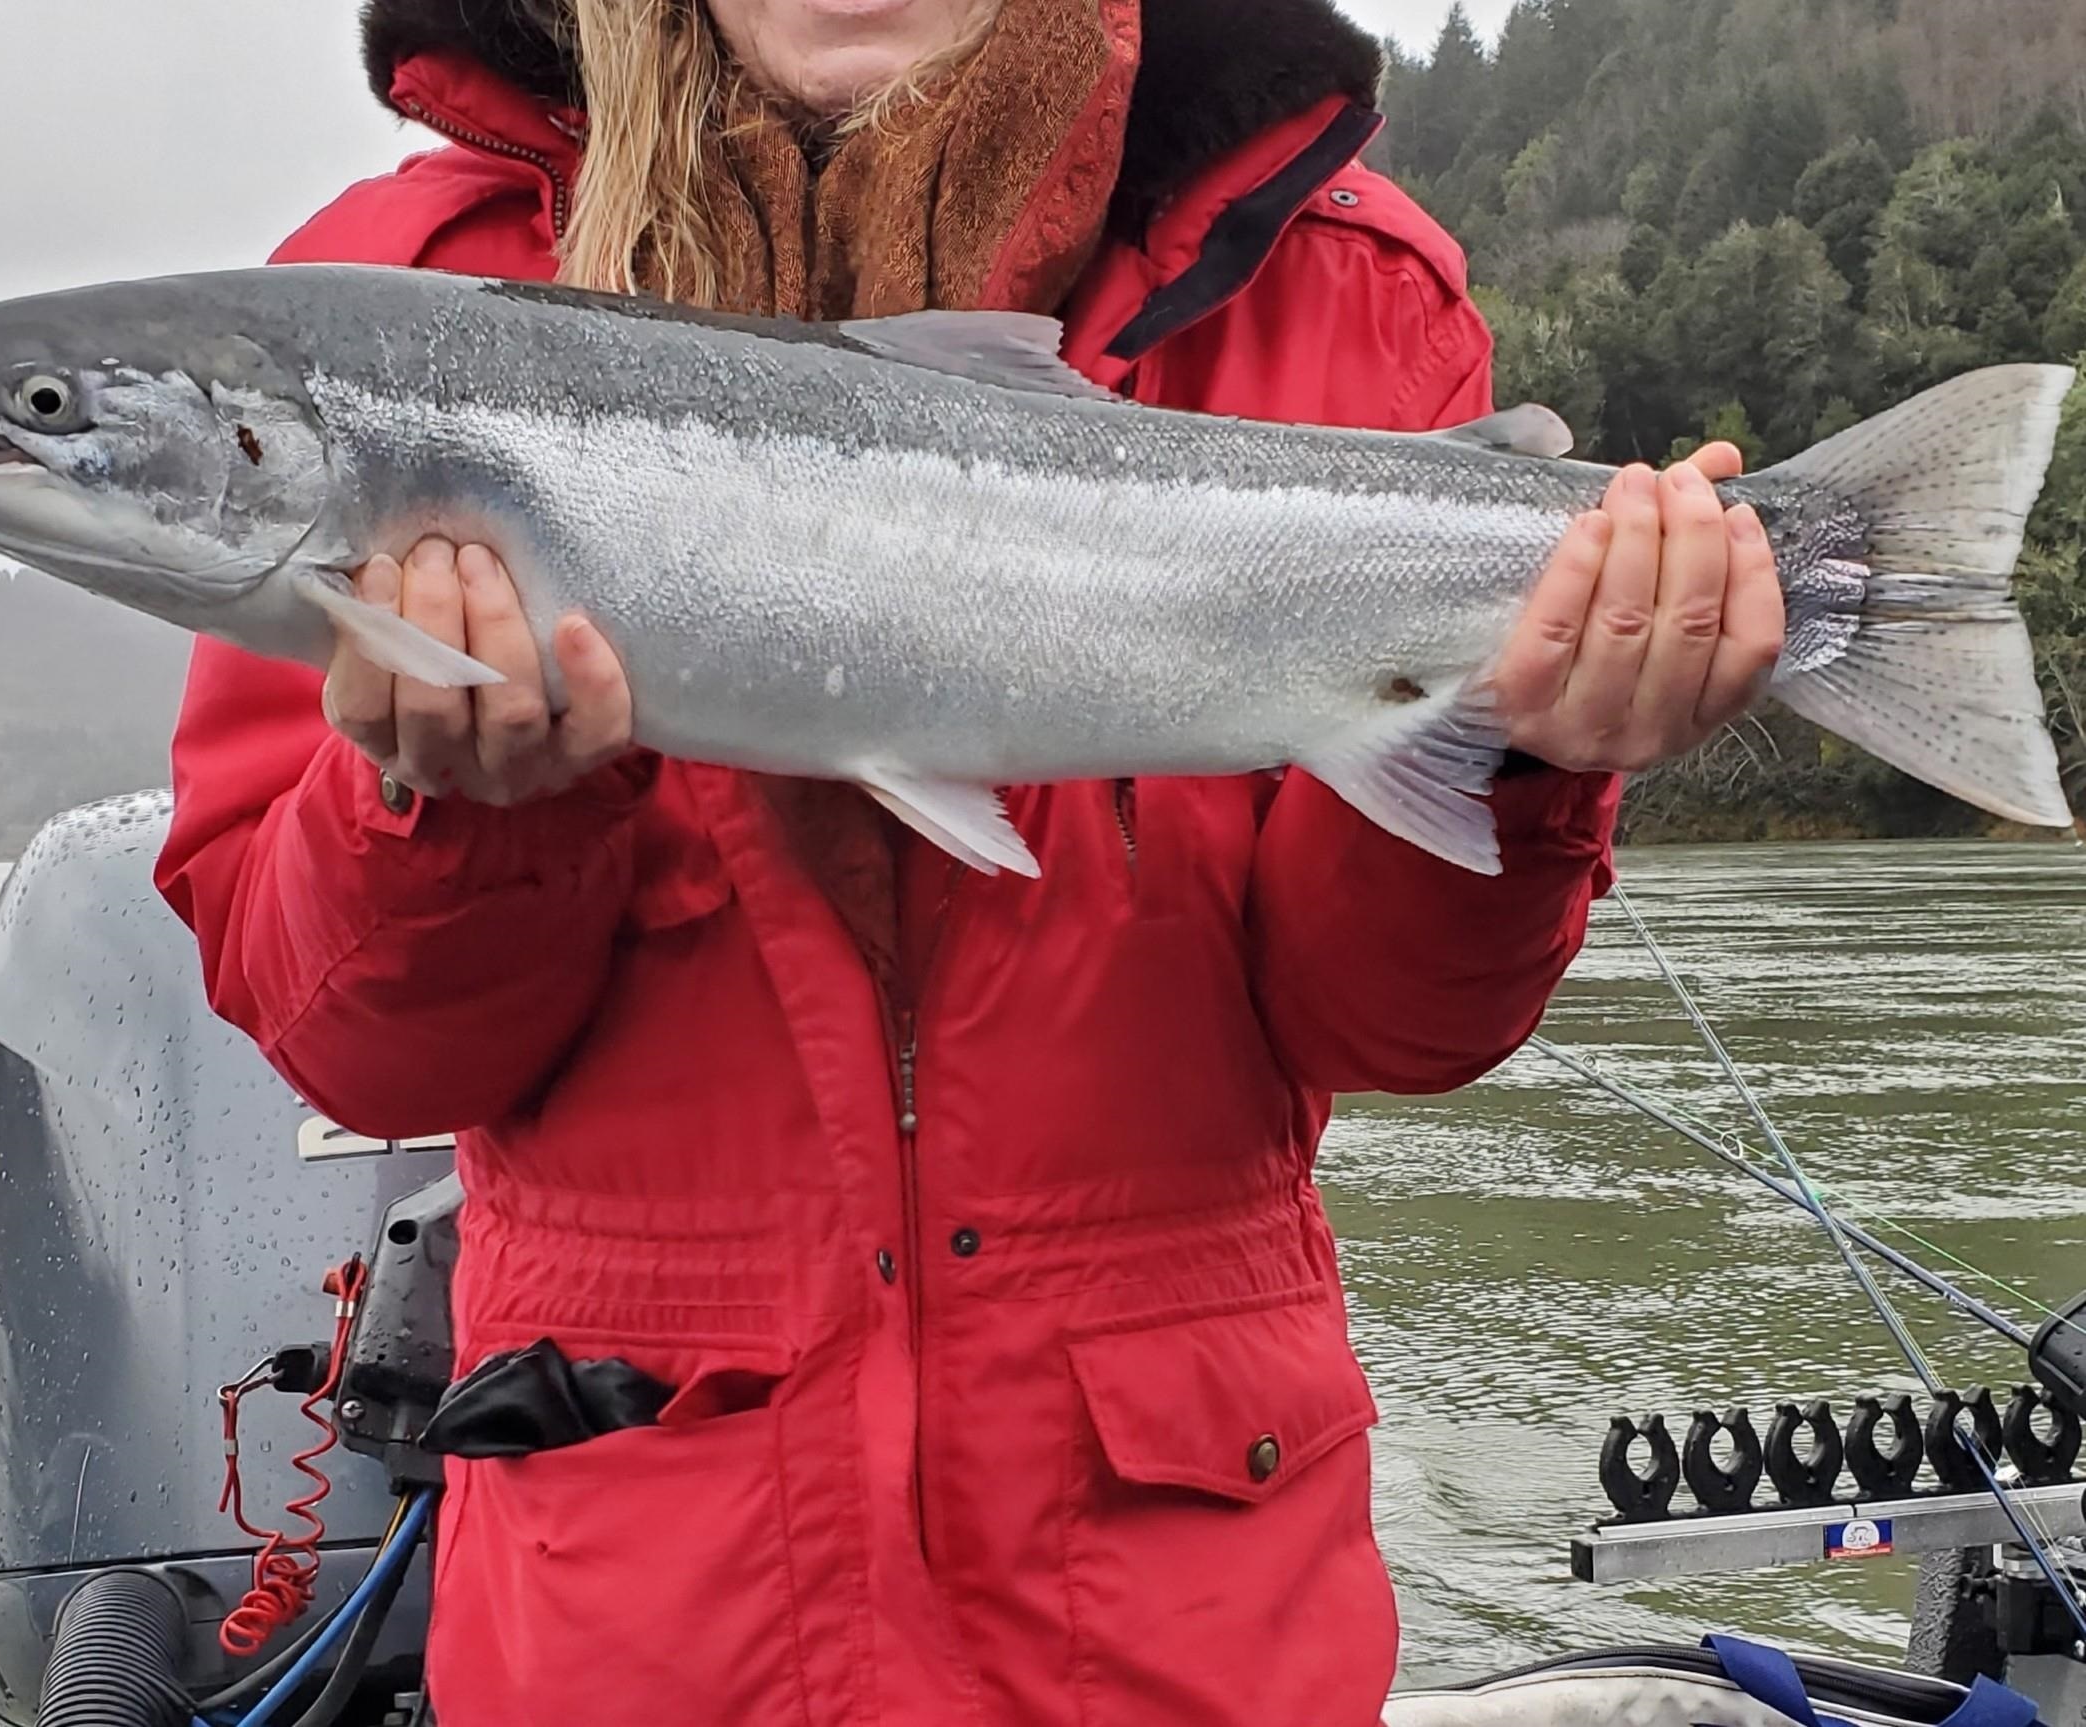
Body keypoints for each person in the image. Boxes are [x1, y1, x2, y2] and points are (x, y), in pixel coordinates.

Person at [156, 1, 1785, 1722]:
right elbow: (360, 1052)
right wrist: (462, 812)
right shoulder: (399, 293)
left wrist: (1526, 758)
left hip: (1181, 1627)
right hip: (640, 1619)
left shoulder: (1339, 285)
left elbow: (1385, 1026)